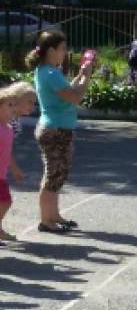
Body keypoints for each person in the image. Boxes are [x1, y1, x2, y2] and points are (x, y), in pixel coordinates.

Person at [29, 30, 95, 234]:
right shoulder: (49, 72)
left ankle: (53, 215)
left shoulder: (50, 71)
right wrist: (87, 77)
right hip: (55, 129)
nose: (65, 53)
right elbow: (75, 98)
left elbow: (66, 91)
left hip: (57, 127)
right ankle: (46, 221)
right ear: (51, 50)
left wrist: (80, 76)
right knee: (53, 175)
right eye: (63, 49)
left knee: (56, 175)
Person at [0, 82, 36, 245]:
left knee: (5, 201)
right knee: (5, 201)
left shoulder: (9, 125)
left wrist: (13, 168)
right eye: (10, 106)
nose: (14, 110)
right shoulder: (5, 124)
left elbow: (7, 150)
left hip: (2, 172)